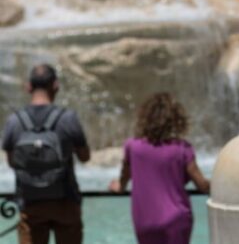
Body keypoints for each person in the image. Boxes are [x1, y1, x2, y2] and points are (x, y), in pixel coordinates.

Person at [2, 64, 91, 244]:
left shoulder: (14, 121)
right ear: (55, 85)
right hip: (66, 201)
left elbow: (12, 162)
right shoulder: (68, 118)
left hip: (30, 203)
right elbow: (85, 157)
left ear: (28, 87)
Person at [110, 92, 210, 244]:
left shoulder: (132, 147)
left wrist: (119, 187)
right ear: (175, 120)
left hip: (145, 221)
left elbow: (124, 178)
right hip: (177, 218)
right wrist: (224, 185)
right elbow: (202, 185)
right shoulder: (182, 148)